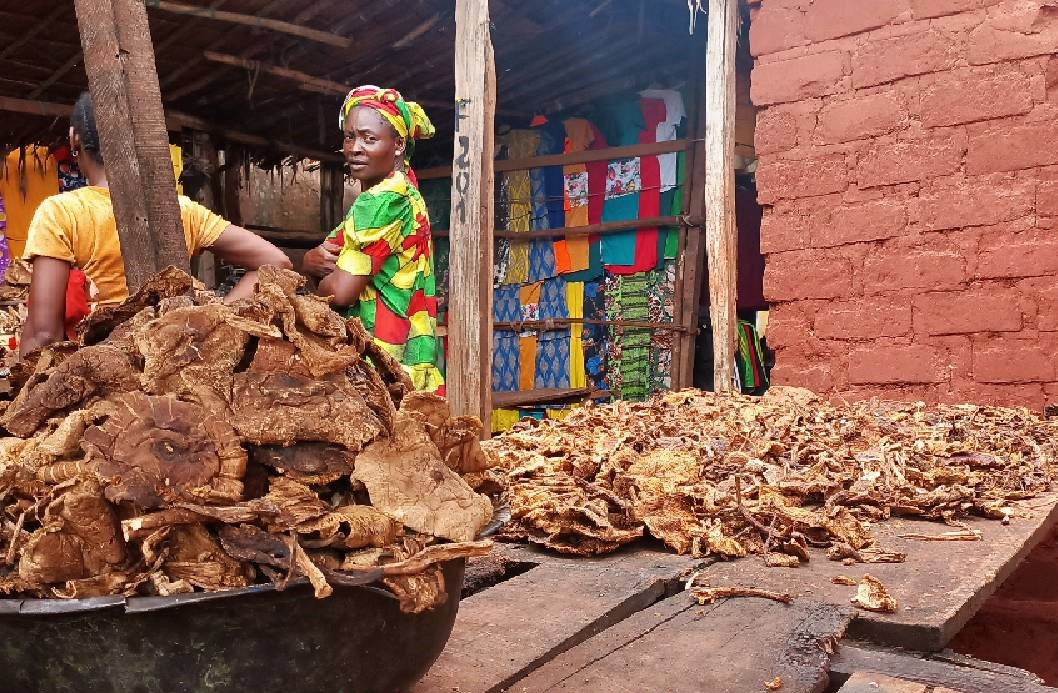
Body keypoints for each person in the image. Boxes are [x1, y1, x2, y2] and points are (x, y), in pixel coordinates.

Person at [19, 92, 292, 355]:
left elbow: (43, 335)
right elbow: (277, 263)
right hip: (168, 365)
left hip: (95, 376)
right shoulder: (181, 210)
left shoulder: (61, 212)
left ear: (73, 138)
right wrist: (214, 320)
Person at [311, 86, 443, 394]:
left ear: (398, 145)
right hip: (406, 354)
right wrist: (311, 261)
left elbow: (341, 292)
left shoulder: (382, 201)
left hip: (377, 358)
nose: (355, 148)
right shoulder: (405, 191)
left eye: (369, 139)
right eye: (349, 136)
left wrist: (316, 278)